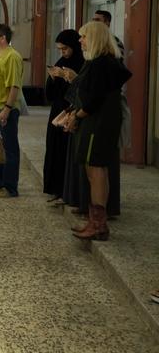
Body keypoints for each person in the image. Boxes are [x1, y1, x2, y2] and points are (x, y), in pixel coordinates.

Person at [65, 21, 131, 241]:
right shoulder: (101, 62)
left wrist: (76, 116)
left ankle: (99, 224)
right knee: (94, 169)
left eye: (84, 36)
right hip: (98, 120)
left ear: (94, 38)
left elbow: (94, 99)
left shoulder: (101, 64)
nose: (80, 40)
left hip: (98, 123)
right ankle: (95, 221)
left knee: (96, 170)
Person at [44, 29, 84, 202]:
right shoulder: (61, 62)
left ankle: (67, 191)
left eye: (65, 49)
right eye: (60, 49)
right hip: (57, 111)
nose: (63, 53)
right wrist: (53, 78)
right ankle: (55, 189)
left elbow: (83, 91)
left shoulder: (82, 63)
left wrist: (71, 78)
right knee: (55, 148)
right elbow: (51, 94)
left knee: (66, 151)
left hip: (72, 112)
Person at [0, 23, 24, 198]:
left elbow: (14, 86)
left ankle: (10, 187)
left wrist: (7, 109)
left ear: (3, 38)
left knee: (9, 148)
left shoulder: (12, 57)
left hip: (5, 107)